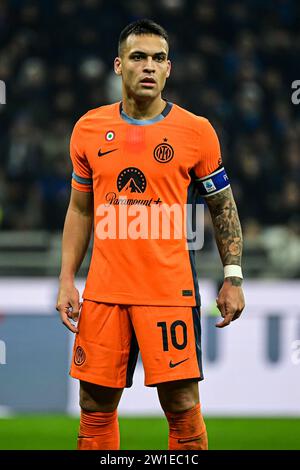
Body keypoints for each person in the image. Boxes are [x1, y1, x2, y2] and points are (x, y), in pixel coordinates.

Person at [56, 18, 245, 451]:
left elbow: (224, 208)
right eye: (138, 57)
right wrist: (67, 278)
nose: (148, 66)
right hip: (104, 292)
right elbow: (79, 209)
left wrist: (232, 276)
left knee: (181, 404)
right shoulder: (88, 128)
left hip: (167, 290)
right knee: (94, 405)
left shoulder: (196, 132)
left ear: (169, 69)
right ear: (118, 65)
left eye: (158, 58)